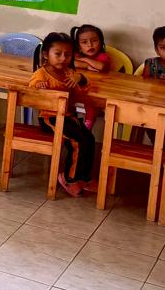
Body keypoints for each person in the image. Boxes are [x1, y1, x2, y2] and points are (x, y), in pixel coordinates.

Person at [28, 32, 95, 198]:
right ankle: (69, 179)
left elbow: (83, 92)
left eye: (68, 54)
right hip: (49, 117)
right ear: (46, 54)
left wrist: (80, 78)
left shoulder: (69, 73)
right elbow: (31, 90)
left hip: (69, 117)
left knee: (89, 139)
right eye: (58, 54)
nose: (63, 58)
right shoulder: (41, 73)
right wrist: (39, 86)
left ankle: (83, 177)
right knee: (77, 141)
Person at [71, 23, 111, 129]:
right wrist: (86, 65)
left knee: (90, 99)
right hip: (80, 89)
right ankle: (69, 120)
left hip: (98, 91)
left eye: (94, 41)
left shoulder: (102, 56)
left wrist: (85, 59)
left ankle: (88, 123)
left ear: (101, 42)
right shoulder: (76, 56)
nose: (90, 45)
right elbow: (70, 63)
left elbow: (101, 66)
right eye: (84, 42)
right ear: (79, 46)